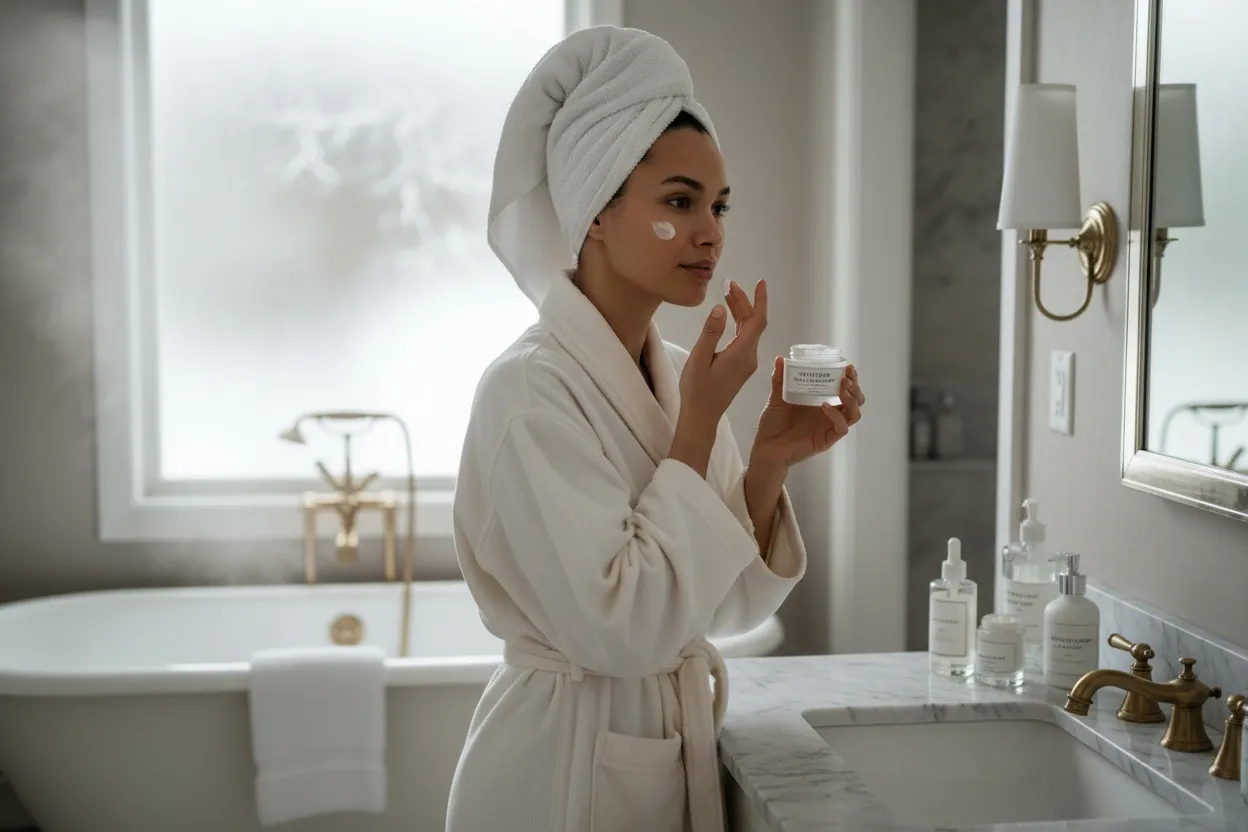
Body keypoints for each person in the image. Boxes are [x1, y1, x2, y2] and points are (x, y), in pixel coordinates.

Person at [446, 25, 866, 832]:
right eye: (679, 201)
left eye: (717, 205)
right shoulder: (528, 392)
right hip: (551, 780)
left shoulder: (674, 372)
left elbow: (721, 608)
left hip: (653, 754)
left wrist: (770, 464)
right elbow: (623, 631)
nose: (710, 230)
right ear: (595, 210)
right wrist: (705, 418)